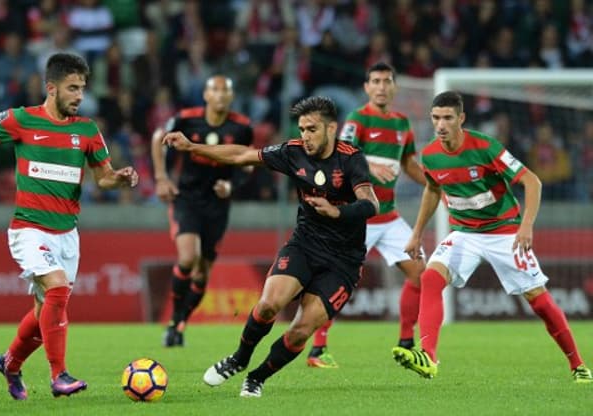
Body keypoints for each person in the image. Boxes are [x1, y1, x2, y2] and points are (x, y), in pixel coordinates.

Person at [162, 96, 379, 397]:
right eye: (302, 129)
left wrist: (336, 211)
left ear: (332, 129)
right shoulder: (293, 152)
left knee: (301, 331)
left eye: (312, 129)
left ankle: (258, 377)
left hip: (343, 261)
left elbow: (371, 203)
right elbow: (241, 156)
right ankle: (239, 358)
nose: (305, 136)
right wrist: (192, 147)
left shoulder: (350, 158)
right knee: (267, 305)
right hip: (305, 245)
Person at [0, 53, 139, 400]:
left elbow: (102, 178)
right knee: (57, 291)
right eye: (72, 88)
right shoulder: (22, 120)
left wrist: (119, 179)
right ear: (52, 88)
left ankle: (10, 363)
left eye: (82, 89)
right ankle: (59, 376)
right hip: (29, 228)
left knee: (46, 316)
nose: (79, 96)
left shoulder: (87, 130)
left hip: (67, 235)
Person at [392, 91, 593, 383]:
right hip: (465, 233)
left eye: (448, 117)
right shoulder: (432, 155)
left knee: (539, 300)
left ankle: (578, 365)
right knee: (430, 278)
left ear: (461, 118)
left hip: (505, 233)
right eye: (436, 118)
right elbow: (433, 190)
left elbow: (531, 181)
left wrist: (526, 226)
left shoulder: (486, 147)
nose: (441, 124)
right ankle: (429, 357)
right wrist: (416, 234)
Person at [307, 62, 427, 369]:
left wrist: (437, 183)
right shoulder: (359, 119)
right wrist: (371, 168)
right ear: (366, 87)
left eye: (387, 81)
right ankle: (318, 350)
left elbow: (410, 163)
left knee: (421, 273)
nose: (382, 86)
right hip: (358, 217)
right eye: (376, 81)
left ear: (395, 86)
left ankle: (405, 343)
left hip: (388, 217)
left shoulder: (401, 123)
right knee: (337, 282)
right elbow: (341, 154)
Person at [151, 75, 253, 347]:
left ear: (230, 97)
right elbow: (158, 137)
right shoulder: (186, 119)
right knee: (188, 258)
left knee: (202, 272)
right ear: (206, 95)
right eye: (215, 90)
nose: (220, 95)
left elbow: (248, 164)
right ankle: (174, 319)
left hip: (217, 205)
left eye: (225, 91)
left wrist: (231, 185)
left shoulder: (242, 127)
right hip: (187, 199)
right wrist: (161, 178)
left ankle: (180, 323)